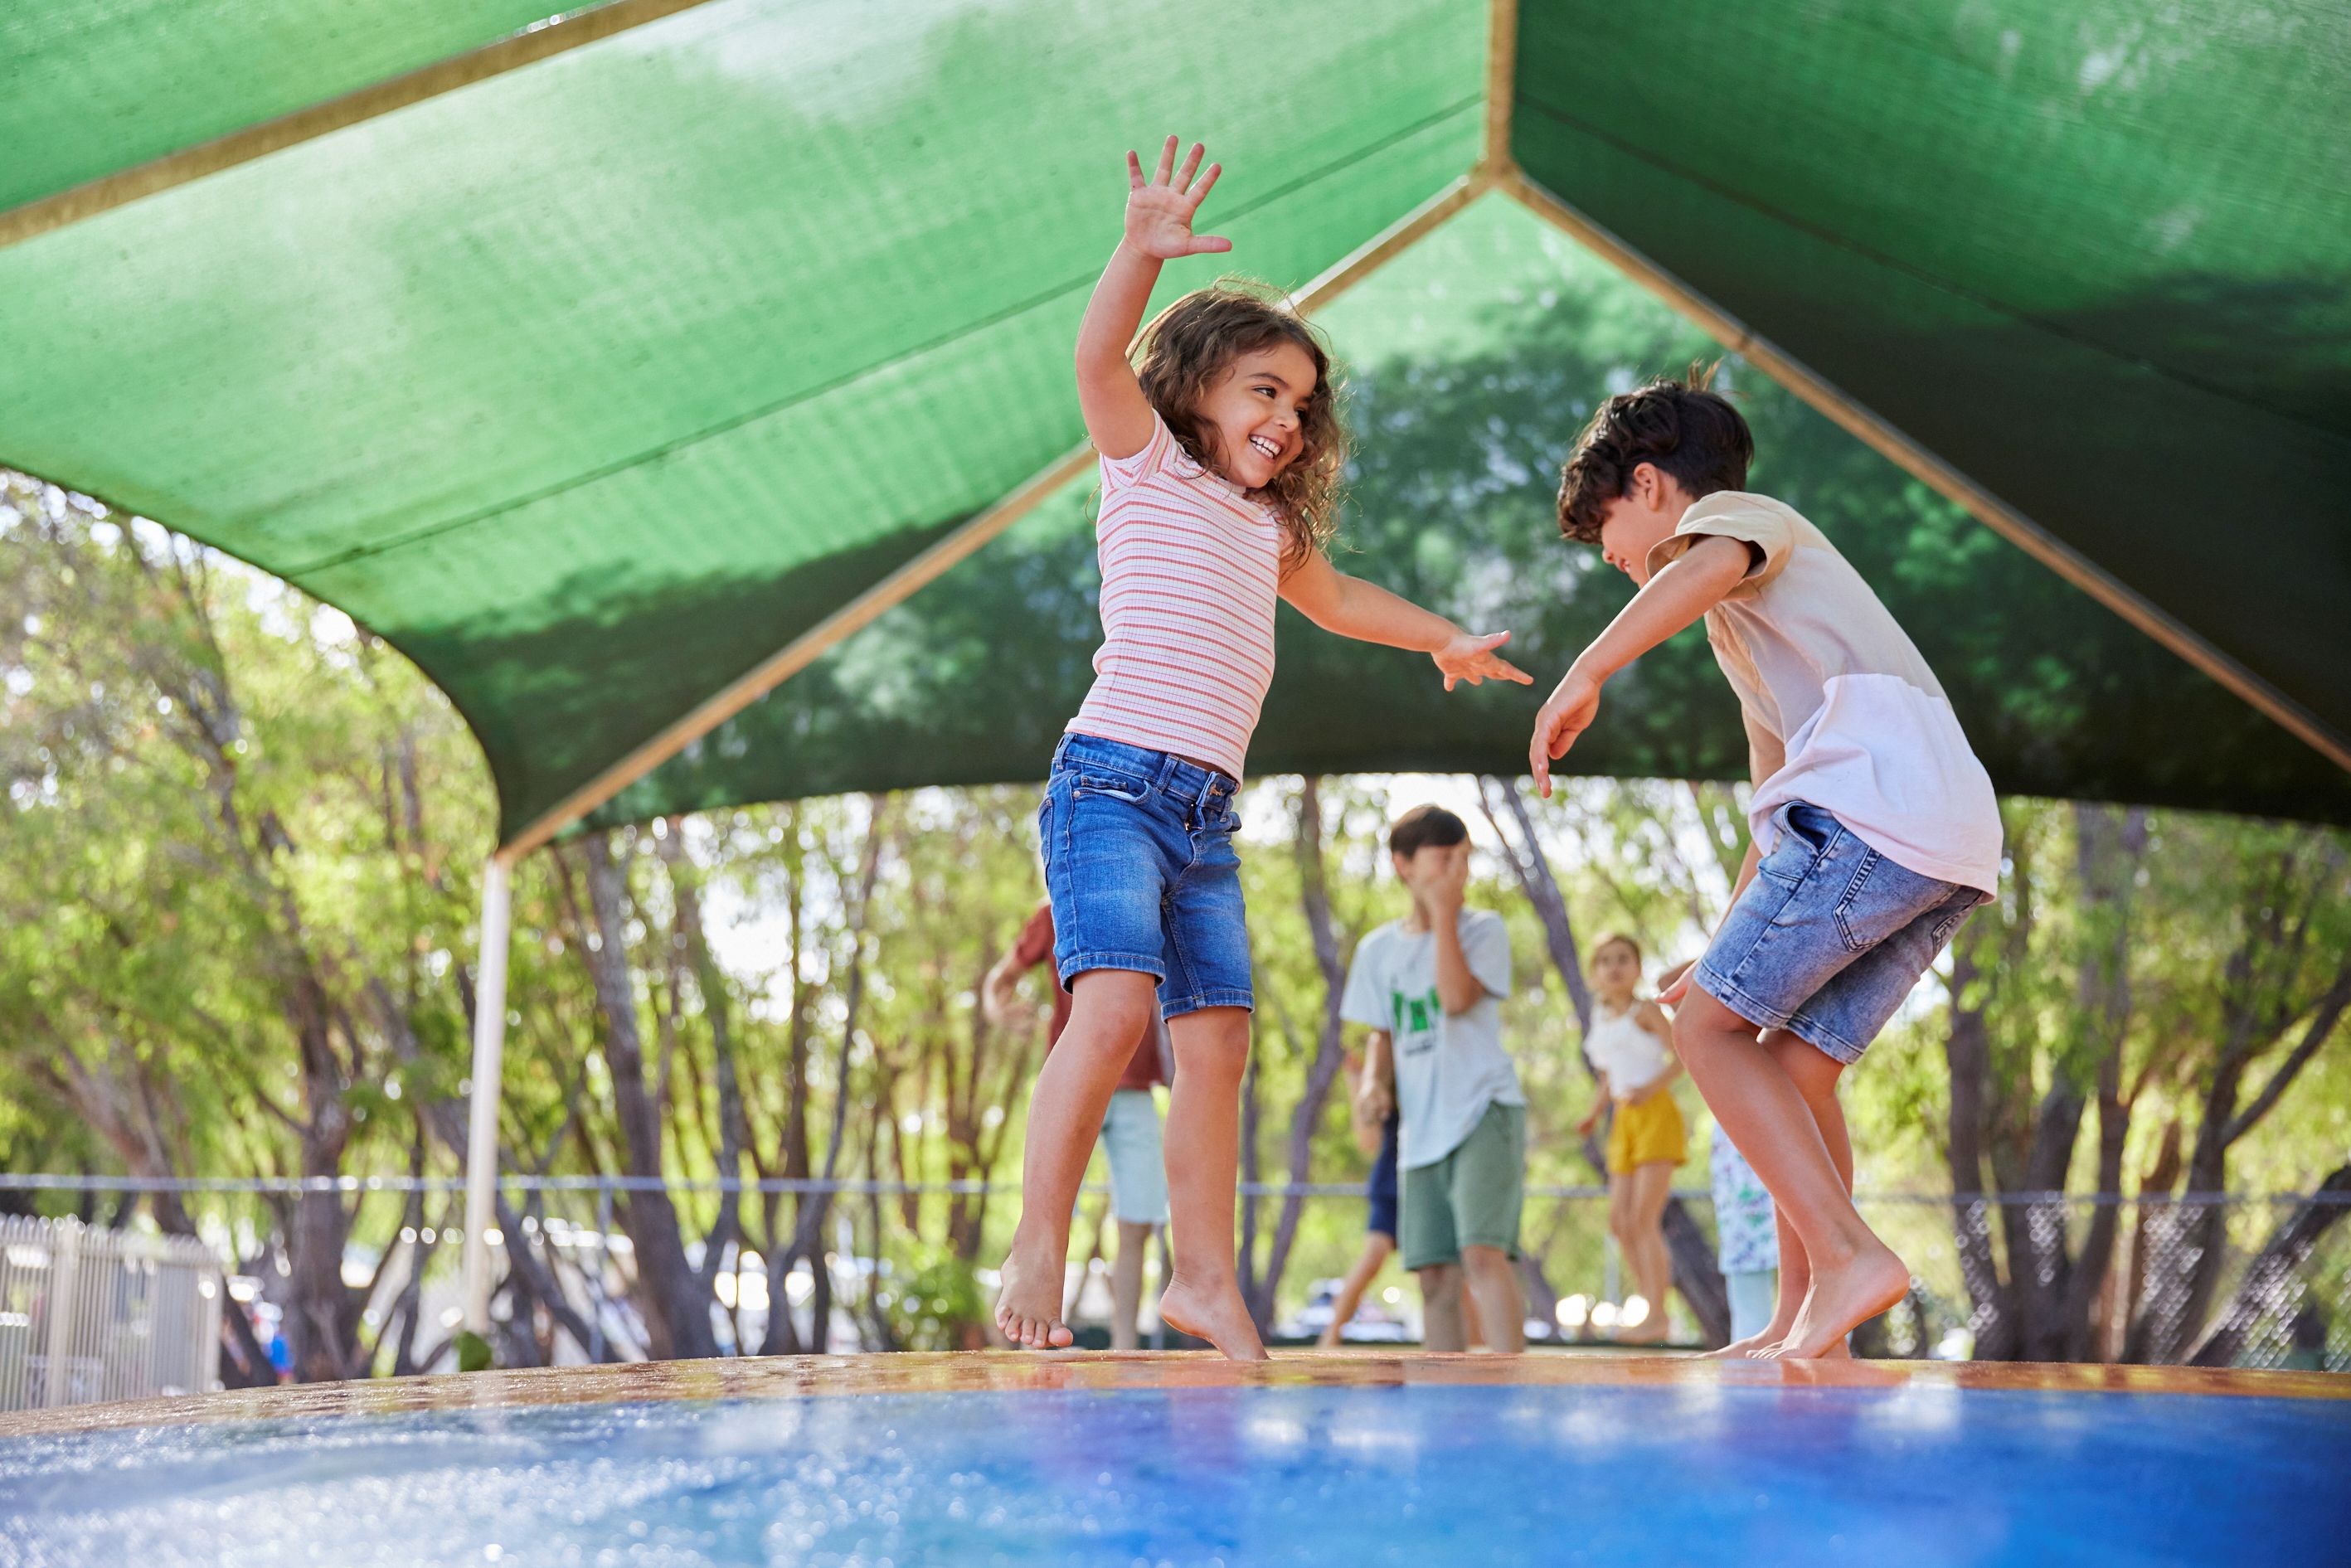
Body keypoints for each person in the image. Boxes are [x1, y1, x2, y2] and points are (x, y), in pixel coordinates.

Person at [993, 138, 1532, 1360]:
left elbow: (1339, 599)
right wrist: (1139, 249)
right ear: (1191, 389)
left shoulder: (1264, 530)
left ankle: (1203, 1278)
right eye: (1259, 391)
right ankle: (1036, 1236)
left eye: (1297, 404)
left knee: (1219, 1039)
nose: (1283, 419)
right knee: (1115, 998)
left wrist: (1439, 637)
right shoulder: (1145, 470)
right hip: (1111, 785)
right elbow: (1092, 357)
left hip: (1202, 816)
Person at [1528, 371, 1999, 1360]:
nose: (1614, 562)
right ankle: (1805, 1314)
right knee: (1791, 1061)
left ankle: (1849, 1254)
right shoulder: (1751, 628)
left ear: (1650, 486)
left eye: (1609, 533)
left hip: (1878, 812)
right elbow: (1774, 812)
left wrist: (1588, 669)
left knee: (1708, 1035)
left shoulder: (1746, 522)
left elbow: (1698, 566)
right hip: (1940, 838)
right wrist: (1720, 952)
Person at [1341, 806, 1528, 1353]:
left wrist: (1443, 916)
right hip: (1418, 1132)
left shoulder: (1483, 928)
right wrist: (1375, 1082)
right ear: (1403, 864)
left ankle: (1510, 1387)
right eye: (1444, 858)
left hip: (1482, 1112)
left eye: (1464, 859)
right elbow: (1383, 1032)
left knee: (1480, 1255)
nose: (1458, 870)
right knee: (1433, 1276)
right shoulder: (1376, 950)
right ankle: (1446, 1408)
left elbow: (1453, 997)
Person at [985, 901, 1169, 1352]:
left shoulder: (1159, 908)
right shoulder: (1055, 912)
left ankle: (1126, 1343)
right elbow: (1000, 980)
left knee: (1138, 1222)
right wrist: (999, 1011)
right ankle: (1006, 1335)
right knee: (1044, 1213)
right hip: (1075, 1084)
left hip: (1137, 1091)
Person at [1572, 933, 1683, 1346]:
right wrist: (1590, 1114)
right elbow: (1607, 1078)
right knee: (1620, 1221)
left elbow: (1682, 1056)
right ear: (1594, 973)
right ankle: (1648, 1303)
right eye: (1604, 961)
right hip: (1622, 1119)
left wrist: (1650, 1090)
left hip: (1654, 1114)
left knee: (1643, 1218)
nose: (1614, 967)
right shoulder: (1601, 1020)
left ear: (1637, 968)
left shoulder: (1646, 1012)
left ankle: (1658, 1315)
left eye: (1622, 959)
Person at [1316, 1053, 1401, 1349]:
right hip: (1392, 1183)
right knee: (1371, 1258)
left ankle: (1477, 1351)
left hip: (1431, 1181)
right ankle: (1329, 1340)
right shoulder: (1382, 1085)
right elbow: (1368, 1141)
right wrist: (1357, 1082)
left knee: (1454, 1271)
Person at [1708, 1120, 1780, 1347]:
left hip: (1782, 1125)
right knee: (1745, 1268)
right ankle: (1750, 1352)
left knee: (1815, 1259)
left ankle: (1829, 1349)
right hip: (1735, 1146)